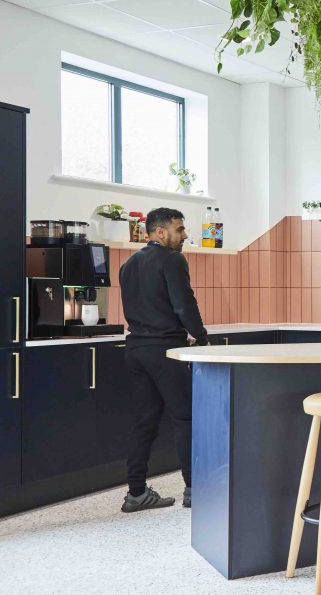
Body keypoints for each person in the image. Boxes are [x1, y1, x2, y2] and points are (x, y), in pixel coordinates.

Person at [119, 208, 208, 512]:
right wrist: (202, 337)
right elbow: (185, 304)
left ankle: (136, 493)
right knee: (185, 418)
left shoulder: (129, 263)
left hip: (135, 350)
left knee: (145, 421)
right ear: (160, 232)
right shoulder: (172, 259)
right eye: (179, 230)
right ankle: (195, 490)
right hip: (165, 350)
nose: (184, 236)